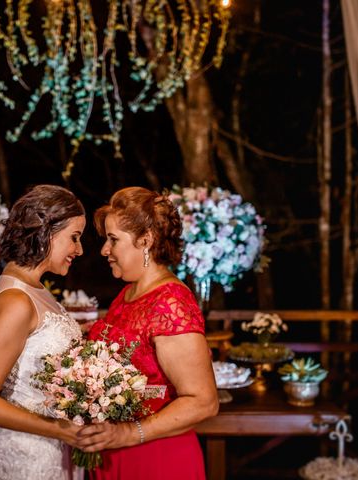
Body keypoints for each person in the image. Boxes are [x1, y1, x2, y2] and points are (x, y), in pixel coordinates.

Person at [76, 186, 218, 479]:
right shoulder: (128, 293)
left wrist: (130, 433)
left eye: (113, 240)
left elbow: (203, 401)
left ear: (146, 241)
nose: (105, 250)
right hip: (115, 454)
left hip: (156, 458)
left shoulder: (171, 303)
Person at [0, 184, 87, 480]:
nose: (79, 250)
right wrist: (58, 429)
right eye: (74, 237)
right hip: (28, 455)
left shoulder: (33, 288)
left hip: (52, 446)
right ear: (46, 231)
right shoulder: (17, 300)